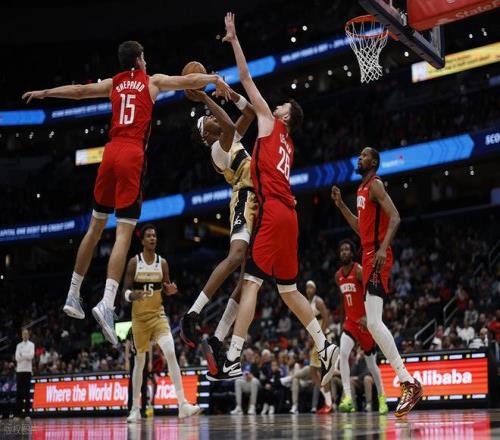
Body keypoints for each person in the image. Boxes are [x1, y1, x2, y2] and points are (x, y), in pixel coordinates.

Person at [22, 41, 231, 346]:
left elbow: (79, 91)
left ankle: (73, 293)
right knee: (123, 233)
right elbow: (188, 80)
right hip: (132, 154)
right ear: (140, 59)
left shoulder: (114, 83)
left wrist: (45, 93)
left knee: (94, 228)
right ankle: (107, 303)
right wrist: (214, 79)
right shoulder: (152, 81)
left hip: (110, 153)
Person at [207, 12, 338, 386]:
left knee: (251, 283)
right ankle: (324, 345)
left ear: (286, 116)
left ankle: (233, 356)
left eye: (283, 106)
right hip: (290, 217)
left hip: (274, 212)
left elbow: (246, 78)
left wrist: (234, 39)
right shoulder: (289, 145)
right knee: (289, 290)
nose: (277, 105)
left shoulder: (270, 121)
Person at [331, 147, 423, 417]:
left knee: (373, 322)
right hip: (368, 253)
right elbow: (360, 228)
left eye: (363, 156)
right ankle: (407, 381)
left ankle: (408, 382)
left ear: (373, 162)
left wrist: (383, 249)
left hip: (377, 255)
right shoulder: (361, 189)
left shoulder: (376, 185)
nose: (359, 158)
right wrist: (341, 205)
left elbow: (395, 217)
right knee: (373, 322)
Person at [180, 87, 256, 373]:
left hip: (259, 201)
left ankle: (216, 339)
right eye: (207, 118)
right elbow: (228, 124)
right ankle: (192, 313)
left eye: (212, 115)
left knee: (248, 279)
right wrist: (206, 98)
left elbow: (249, 113)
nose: (212, 117)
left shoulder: (230, 139)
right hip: (245, 198)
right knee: (235, 256)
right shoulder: (217, 149)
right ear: (205, 134)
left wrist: (229, 92)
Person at [122, 224, 201, 421]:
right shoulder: (134, 262)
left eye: (154, 236)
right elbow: (124, 290)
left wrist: (170, 290)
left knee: (171, 352)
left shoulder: (162, 263)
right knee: (139, 362)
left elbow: (166, 286)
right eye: (149, 236)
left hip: (158, 316)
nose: (152, 238)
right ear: (142, 241)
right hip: (139, 320)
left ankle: (182, 405)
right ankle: (135, 409)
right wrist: (131, 296)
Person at [334, 239, 387, 414]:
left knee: (372, 366)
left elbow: (371, 291)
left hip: (365, 322)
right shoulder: (338, 276)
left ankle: (382, 398)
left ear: (352, 252)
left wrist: (370, 316)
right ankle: (348, 397)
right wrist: (341, 322)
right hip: (350, 322)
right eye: (342, 250)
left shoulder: (358, 271)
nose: (344, 252)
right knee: (343, 353)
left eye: (347, 249)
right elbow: (343, 300)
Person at [305, 280, 334, 414]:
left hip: (323, 337)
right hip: (315, 337)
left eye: (311, 287)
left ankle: (329, 403)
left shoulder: (318, 301)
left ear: (315, 289)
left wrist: (320, 336)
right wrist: (310, 338)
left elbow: (327, 318)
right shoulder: (307, 302)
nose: (308, 290)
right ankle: (327, 398)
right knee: (312, 371)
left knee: (324, 370)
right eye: (307, 287)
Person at [125, 327, 151, 416]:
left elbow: (149, 345)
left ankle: (143, 409)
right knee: (132, 383)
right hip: (134, 357)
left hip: (145, 356)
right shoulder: (131, 329)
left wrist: (150, 361)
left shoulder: (146, 328)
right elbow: (127, 344)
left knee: (144, 384)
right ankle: (130, 408)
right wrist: (126, 360)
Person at [230, 349, 260, 415]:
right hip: (246, 382)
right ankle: (238, 407)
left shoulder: (255, 363)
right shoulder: (243, 364)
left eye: (250, 355)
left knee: (254, 380)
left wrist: (252, 376)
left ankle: (252, 406)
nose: (249, 356)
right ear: (245, 356)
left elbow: (258, 376)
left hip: (254, 382)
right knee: (238, 381)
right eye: (247, 355)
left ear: (253, 355)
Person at [14, 329, 34, 420]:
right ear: (22, 335)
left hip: (27, 371)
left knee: (27, 393)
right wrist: (26, 355)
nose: (25, 335)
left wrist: (23, 354)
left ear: (28, 335)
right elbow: (17, 358)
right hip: (19, 371)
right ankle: (18, 414)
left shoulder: (31, 345)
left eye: (26, 334)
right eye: (24, 334)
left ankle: (27, 414)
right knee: (19, 393)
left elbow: (31, 356)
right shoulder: (18, 345)